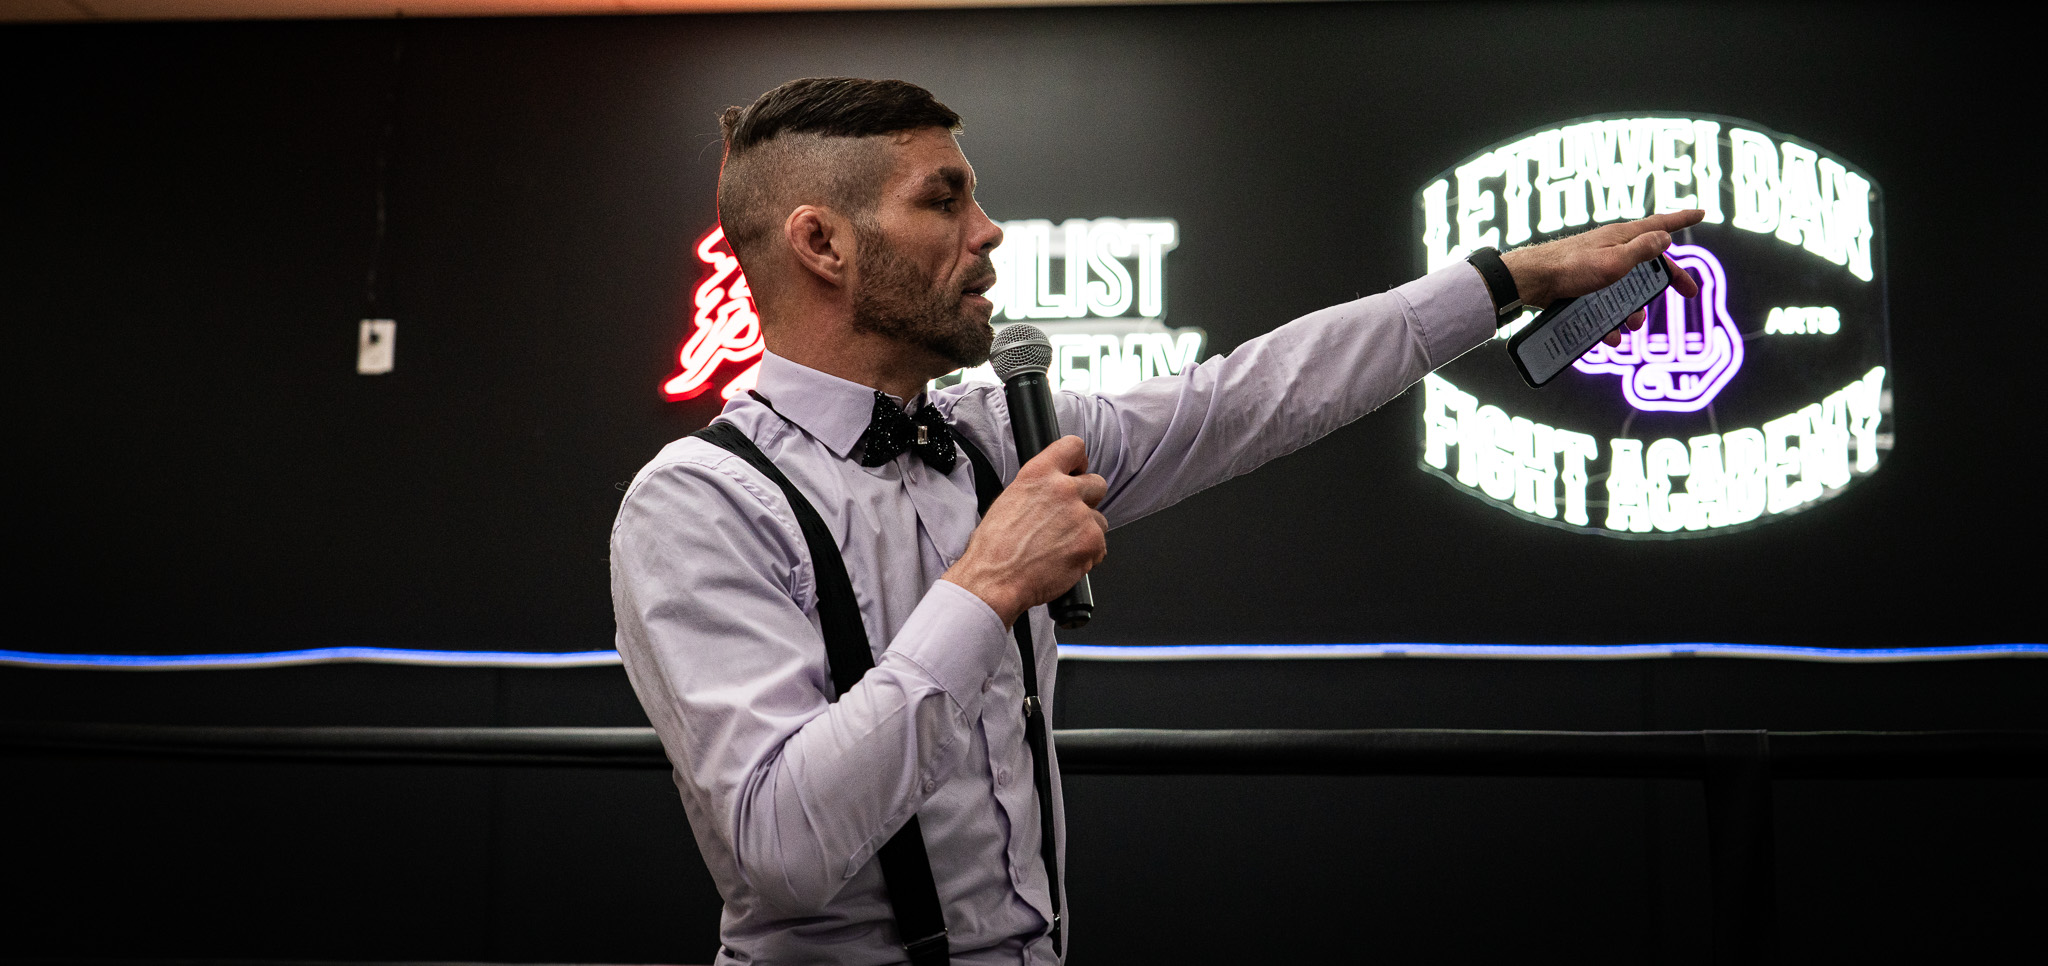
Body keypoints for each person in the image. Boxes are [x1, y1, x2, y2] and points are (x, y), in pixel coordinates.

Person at [611, 77, 1702, 966]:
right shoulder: (697, 502)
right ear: (820, 243)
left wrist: (1509, 277)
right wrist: (981, 589)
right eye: (942, 199)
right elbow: (778, 849)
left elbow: (1254, 395)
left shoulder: (998, 437)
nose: (987, 232)